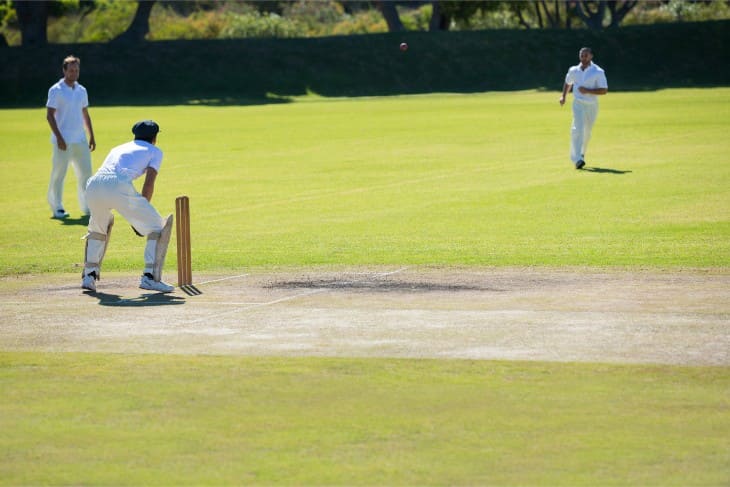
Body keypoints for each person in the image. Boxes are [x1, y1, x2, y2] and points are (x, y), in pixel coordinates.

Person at [81, 120, 175, 293]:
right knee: (158, 226)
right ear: (154, 137)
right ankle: (150, 278)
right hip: (118, 184)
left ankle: (89, 276)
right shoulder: (155, 151)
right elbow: (149, 183)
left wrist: (137, 216)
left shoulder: (118, 148)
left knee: (98, 227)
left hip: (94, 184)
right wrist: (139, 218)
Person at [46, 55, 97, 219]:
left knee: (86, 174)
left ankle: (88, 207)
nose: (74, 73)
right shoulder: (56, 90)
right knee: (59, 174)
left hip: (80, 140)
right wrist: (59, 138)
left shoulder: (82, 90)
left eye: (76, 70)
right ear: (64, 71)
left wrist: (91, 136)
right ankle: (57, 207)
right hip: (63, 141)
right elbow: (49, 116)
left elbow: (85, 115)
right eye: (71, 70)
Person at [559, 47, 608, 169]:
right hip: (578, 104)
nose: (583, 58)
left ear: (591, 56)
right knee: (577, 129)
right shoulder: (574, 70)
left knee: (587, 132)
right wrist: (563, 96)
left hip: (592, 105)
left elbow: (604, 90)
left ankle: (582, 153)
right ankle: (577, 159)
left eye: (586, 55)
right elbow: (568, 82)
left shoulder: (598, 71)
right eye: (581, 55)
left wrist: (587, 90)